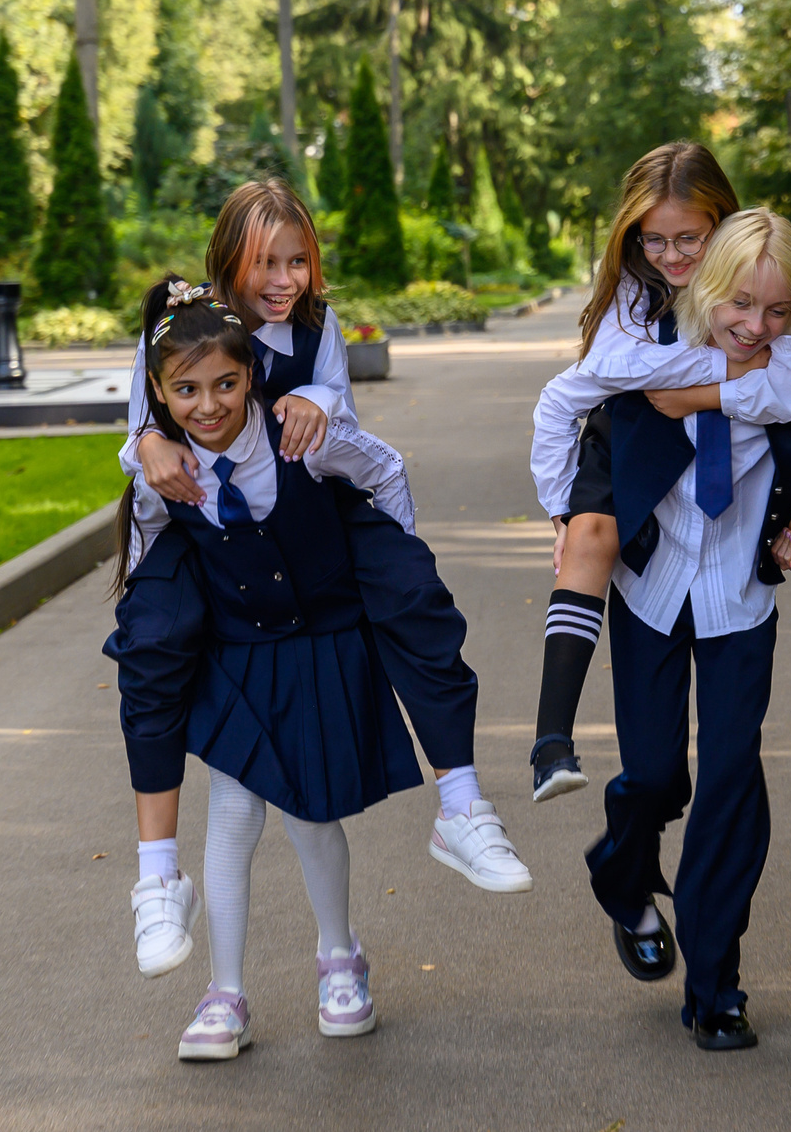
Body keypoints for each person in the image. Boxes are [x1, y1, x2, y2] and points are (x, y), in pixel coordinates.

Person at [117, 182, 527, 983]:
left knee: (413, 597)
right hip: (203, 531)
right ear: (226, 260)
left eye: (298, 260)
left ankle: (461, 804)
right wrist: (146, 445)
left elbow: (347, 428)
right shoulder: (172, 334)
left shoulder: (315, 327)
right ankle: (160, 881)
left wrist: (317, 401)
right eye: (265, 262)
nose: (284, 279)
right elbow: (142, 427)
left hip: (312, 498)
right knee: (154, 646)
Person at [104, 281, 423, 1060]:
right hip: (230, 645)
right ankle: (225, 992)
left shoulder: (292, 439)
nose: (209, 403)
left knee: (310, 809)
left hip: (302, 641)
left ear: (251, 375)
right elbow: (150, 545)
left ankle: (340, 956)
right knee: (234, 809)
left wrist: (394, 573)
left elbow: (381, 471)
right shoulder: (163, 466)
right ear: (159, 394)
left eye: (226, 383)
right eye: (186, 390)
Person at [527, 143, 791, 801]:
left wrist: (712, 393)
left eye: (690, 239)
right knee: (588, 538)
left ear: (722, 227)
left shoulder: (768, 307)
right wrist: (560, 508)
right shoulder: (632, 304)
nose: (672, 256)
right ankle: (550, 739)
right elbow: (596, 381)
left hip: (744, 527)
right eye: (655, 240)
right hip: (637, 477)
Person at [584, 209, 791, 1051]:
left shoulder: (788, 363)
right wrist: (570, 515)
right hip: (651, 589)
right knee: (654, 774)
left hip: (740, 595)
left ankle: (716, 982)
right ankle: (621, 871)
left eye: (776, 310)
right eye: (743, 305)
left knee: (733, 776)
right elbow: (572, 419)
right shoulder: (641, 350)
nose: (757, 324)